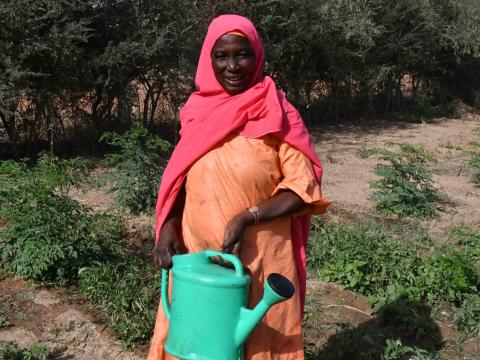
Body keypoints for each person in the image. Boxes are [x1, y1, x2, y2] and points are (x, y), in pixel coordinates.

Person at [148, 14, 330, 360]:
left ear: (257, 56)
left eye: (242, 54)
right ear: (208, 59)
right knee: (195, 340)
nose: (233, 66)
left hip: (261, 261)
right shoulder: (197, 112)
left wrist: (248, 217)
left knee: (259, 339)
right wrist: (169, 226)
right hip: (197, 258)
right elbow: (182, 181)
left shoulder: (278, 112)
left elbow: (303, 190)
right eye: (222, 56)